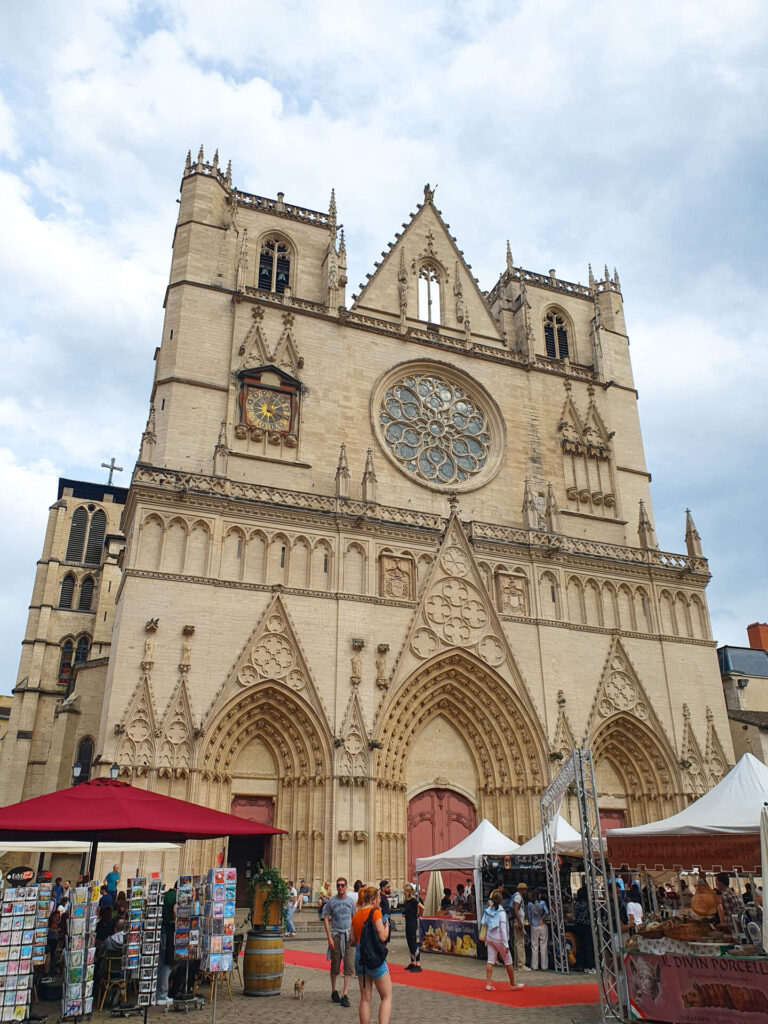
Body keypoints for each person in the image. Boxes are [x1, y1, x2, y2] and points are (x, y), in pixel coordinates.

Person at [351, 886, 392, 1024]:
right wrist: (387, 927)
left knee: (365, 998)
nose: (380, 900)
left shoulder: (356, 915)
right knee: (386, 996)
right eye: (379, 898)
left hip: (359, 956)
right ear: (373, 899)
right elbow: (382, 937)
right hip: (373, 956)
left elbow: (352, 940)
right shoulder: (375, 913)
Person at [322, 877, 357, 1008]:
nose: (340, 888)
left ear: (347, 886)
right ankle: (334, 991)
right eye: (338, 885)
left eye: (342, 885)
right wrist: (329, 937)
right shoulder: (331, 901)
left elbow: (354, 918)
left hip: (348, 936)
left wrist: (354, 935)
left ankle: (345, 994)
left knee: (348, 965)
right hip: (336, 935)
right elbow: (325, 918)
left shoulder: (350, 901)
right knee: (335, 965)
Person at [481, 890, 524, 992]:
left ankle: (488, 984)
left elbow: (484, 923)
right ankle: (513, 984)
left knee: (490, 960)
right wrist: (506, 944)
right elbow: (503, 930)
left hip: (490, 937)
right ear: (501, 900)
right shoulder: (501, 912)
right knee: (508, 961)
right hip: (499, 939)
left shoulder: (488, 910)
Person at [156, 883, 177, 1006]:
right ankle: (162, 994)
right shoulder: (175, 897)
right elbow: (175, 911)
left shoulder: (164, 895)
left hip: (160, 930)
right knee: (167, 963)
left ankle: (157, 992)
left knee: (160, 962)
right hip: (169, 931)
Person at [573, 886, 595, 973]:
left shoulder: (576, 904)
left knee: (581, 946)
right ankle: (590, 966)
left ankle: (582, 965)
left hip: (579, 926)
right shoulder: (588, 904)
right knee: (589, 946)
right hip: (587, 926)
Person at [401, 884, 423, 973]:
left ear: (408, 891)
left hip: (413, 923)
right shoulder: (406, 901)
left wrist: (418, 915)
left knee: (413, 943)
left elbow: (422, 907)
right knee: (409, 942)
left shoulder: (414, 900)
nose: (403, 892)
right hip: (408, 923)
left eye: (405, 890)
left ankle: (418, 963)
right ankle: (412, 962)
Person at [527, 888, 549, 970]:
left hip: (534, 926)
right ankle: (544, 966)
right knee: (543, 946)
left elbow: (529, 916)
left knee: (534, 946)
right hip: (542, 925)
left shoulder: (529, 904)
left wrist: (530, 922)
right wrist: (542, 919)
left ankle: (534, 966)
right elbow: (547, 912)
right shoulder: (542, 903)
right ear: (539, 895)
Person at [511, 882, 530, 971]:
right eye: (525, 889)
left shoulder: (516, 896)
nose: (526, 891)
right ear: (522, 889)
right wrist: (520, 922)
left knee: (516, 943)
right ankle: (521, 964)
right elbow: (516, 909)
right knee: (520, 944)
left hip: (517, 922)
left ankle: (516, 964)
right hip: (518, 922)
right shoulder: (518, 897)